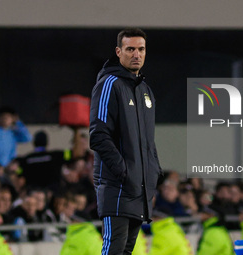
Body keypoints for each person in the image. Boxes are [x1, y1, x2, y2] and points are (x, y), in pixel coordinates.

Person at [89, 28, 162, 254]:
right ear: (119, 52)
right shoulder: (109, 84)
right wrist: (124, 171)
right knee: (114, 248)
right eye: (130, 49)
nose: (136, 54)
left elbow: (148, 141)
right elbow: (98, 135)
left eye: (141, 49)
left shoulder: (145, 91)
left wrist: (153, 172)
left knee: (126, 250)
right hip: (118, 187)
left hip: (139, 188)